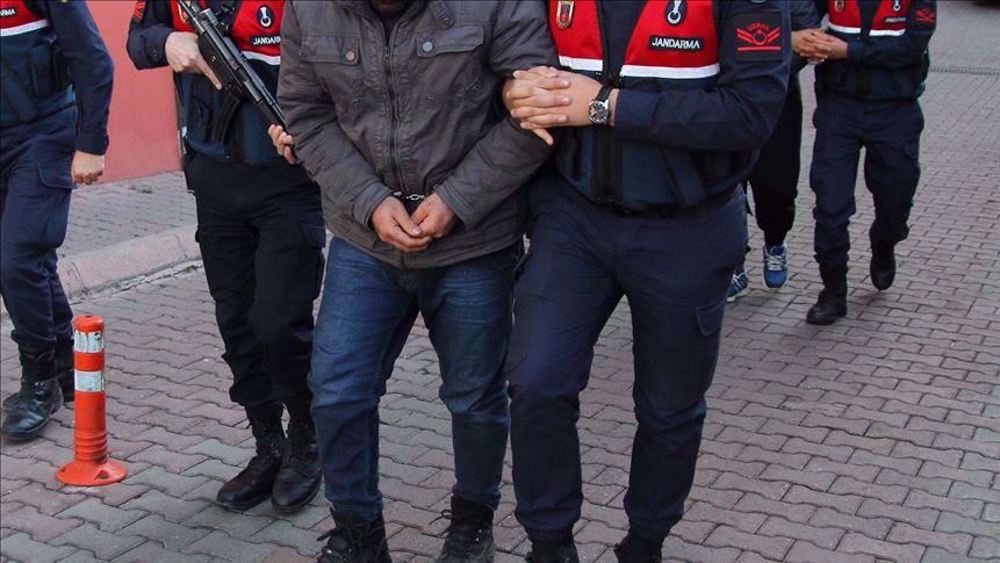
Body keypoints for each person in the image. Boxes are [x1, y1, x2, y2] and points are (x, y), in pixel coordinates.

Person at [503, 1, 791, 561]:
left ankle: (645, 541)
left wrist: (608, 108)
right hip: (575, 217)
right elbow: (510, 57)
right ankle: (549, 542)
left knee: (669, 408)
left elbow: (751, 114)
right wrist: (512, 91)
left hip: (688, 227)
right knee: (536, 381)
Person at [273, 0, 554, 560]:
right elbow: (305, 115)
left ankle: (472, 524)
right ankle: (358, 533)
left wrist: (457, 200)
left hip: (475, 241)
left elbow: (535, 113)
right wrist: (369, 201)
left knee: (475, 399)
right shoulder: (308, 8)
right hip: (364, 239)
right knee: (338, 390)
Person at [126, 0, 324, 514]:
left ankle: (307, 436)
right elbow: (137, 41)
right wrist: (168, 42)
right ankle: (268, 443)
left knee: (279, 322)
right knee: (236, 322)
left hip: (288, 183)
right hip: (215, 181)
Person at [1, 0, 113, 441]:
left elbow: (92, 59)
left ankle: (39, 382)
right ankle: (65, 365)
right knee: (28, 261)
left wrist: (91, 143)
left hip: (41, 134)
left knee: (17, 259)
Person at [804, 0, 936, 325]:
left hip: (896, 108)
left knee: (896, 199)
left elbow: (912, 46)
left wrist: (848, 51)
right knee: (830, 204)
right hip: (840, 106)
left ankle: (884, 242)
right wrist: (806, 41)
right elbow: (802, 16)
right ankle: (833, 291)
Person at [728, 1, 826, 302]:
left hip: (776, 99)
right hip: (726, 98)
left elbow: (808, 37)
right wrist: (785, 39)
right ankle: (733, 263)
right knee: (727, 185)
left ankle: (776, 242)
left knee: (777, 188)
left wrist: (774, 49)